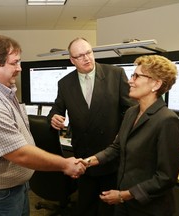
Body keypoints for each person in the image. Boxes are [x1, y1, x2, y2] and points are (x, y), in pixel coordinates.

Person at [0, 35, 86, 216]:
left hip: (12, 187)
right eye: (14, 63)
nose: (20, 68)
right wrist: (65, 164)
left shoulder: (2, 89)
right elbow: (19, 153)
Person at [81, 55, 179, 216]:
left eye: (137, 76)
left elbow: (166, 178)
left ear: (156, 84)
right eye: (132, 75)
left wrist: (123, 196)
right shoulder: (131, 112)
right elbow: (116, 147)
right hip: (125, 203)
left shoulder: (167, 121)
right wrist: (87, 162)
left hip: (148, 208)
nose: (130, 81)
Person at [48, 37, 136, 216]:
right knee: (86, 207)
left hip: (110, 155)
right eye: (80, 56)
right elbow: (57, 109)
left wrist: (123, 138)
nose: (86, 58)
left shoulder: (115, 74)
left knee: (108, 209)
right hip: (83, 158)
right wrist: (53, 117)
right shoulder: (65, 83)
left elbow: (131, 110)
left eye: (88, 52)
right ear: (72, 60)